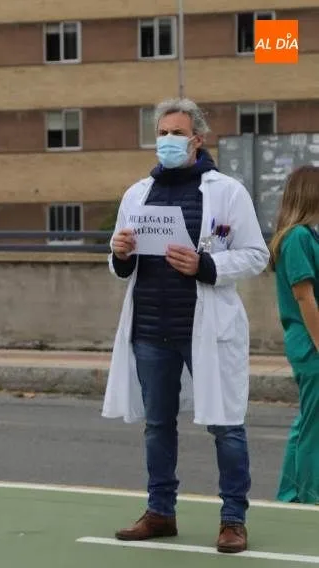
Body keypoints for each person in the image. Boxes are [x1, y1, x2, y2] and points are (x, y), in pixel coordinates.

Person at [102, 98, 268, 554]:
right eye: (162, 132)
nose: (168, 141)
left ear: (198, 139)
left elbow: (257, 255)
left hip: (205, 328)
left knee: (226, 425)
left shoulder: (227, 192)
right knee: (158, 426)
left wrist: (206, 264)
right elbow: (120, 264)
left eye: (177, 133)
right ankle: (160, 511)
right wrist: (119, 253)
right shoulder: (137, 194)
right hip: (151, 328)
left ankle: (233, 518)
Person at [268, 166, 319, 504]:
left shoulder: (304, 236)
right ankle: (312, 495)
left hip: (305, 341)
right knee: (315, 427)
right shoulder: (298, 237)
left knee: (307, 421)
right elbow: (304, 296)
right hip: (310, 341)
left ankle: (289, 494)